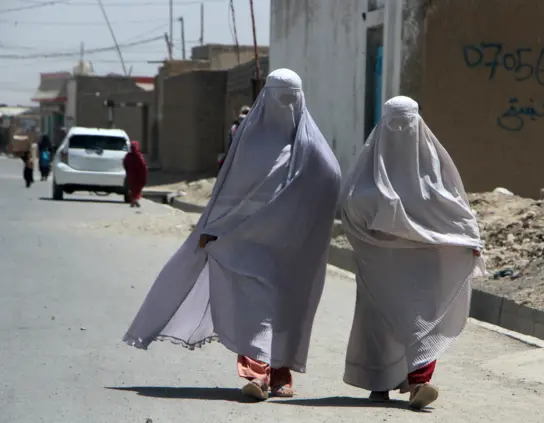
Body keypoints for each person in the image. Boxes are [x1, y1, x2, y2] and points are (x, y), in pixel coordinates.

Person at [123, 69, 341, 401]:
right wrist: (213, 229)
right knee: (256, 306)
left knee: (287, 308)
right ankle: (257, 372)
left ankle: (279, 374)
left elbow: (330, 184)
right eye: (280, 96)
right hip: (247, 244)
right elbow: (229, 190)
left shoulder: (312, 148)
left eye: (290, 96)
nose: (285, 104)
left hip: (292, 248)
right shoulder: (249, 143)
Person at [339, 96, 486, 410]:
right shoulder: (369, 168)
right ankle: (380, 382)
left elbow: (454, 209)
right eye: (395, 122)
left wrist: (469, 239)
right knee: (378, 321)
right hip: (381, 261)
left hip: (423, 260)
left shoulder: (434, 167)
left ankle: (419, 381)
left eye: (406, 122)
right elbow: (350, 207)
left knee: (420, 319)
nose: (401, 130)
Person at [122, 141, 147, 208]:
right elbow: (143, 165)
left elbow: (125, 163)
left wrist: (128, 171)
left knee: (133, 188)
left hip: (131, 175)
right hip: (138, 175)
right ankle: (134, 200)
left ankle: (134, 200)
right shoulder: (138, 156)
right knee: (137, 188)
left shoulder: (128, 156)